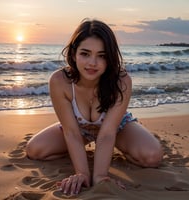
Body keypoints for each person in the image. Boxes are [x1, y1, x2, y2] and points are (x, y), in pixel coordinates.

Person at [26, 19, 163, 195]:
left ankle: (128, 141)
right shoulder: (59, 81)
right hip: (78, 129)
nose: (92, 63)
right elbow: (71, 132)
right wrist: (82, 173)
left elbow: (107, 133)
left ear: (110, 57)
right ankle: (89, 152)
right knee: (35, 150)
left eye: (102, 55)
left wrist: (99, 176)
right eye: (85, 54)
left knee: (151, 157)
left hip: (116, 128)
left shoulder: (122, 81)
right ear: (74, 54)